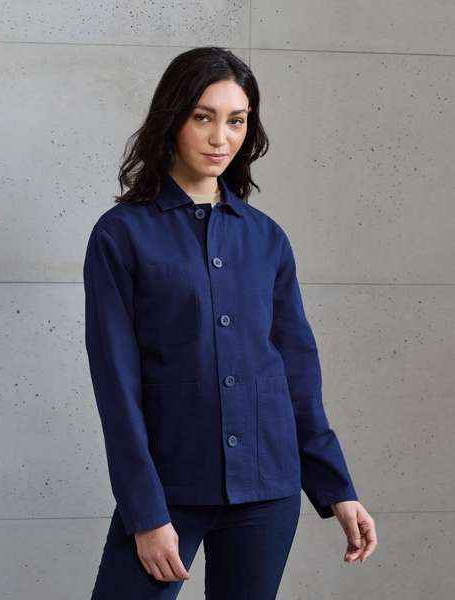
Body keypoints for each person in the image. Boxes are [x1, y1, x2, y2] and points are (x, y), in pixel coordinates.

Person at [83, 46, 377, 599]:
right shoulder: (120, 235)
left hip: (267, 490)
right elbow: (116, 386)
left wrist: (336, 487)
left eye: (236, 120)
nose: (221, 137)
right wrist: (145, 513)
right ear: (174, 119)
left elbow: (296, 374)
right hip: (169, 488)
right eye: (204, 117)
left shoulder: (266, 239)